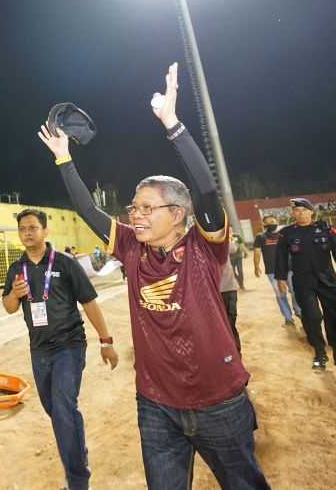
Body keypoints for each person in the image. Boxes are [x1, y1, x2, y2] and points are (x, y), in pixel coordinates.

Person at [38, 63, 269, 489]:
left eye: (147, 208)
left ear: (177, 214)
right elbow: (89, 211)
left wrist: (173, 124)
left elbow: (206, 191)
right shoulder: (129, 246)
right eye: (134, 207)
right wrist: (64, 158)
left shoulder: (205, 246)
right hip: (156, 406)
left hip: (219, 403)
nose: (135, 215)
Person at [2, 209, 118, 490]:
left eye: (33, 227)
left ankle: (78, 480)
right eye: (23, 229)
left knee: (64, 409)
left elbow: (89, 302)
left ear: (45, 231)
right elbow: (8, 307)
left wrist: (106, 341)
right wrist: (14, 295)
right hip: (39, 350)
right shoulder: (17, 268)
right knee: (55, 410)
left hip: (69, 346)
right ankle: (77, 452)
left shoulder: (65, 263)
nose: (27, 233)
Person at [276, 198, 336, 371]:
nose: (300, 213)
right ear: (293, 213)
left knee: (335, 315)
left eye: (304, 210)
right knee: (311, 318)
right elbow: (281, 257)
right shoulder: (287, 233)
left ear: (311, 212)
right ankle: (320, 353)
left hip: (327, 281)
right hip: (303, 283)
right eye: (297, 211)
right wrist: (281, 278)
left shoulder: (325, 230)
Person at [254, 215, 301, 325]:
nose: (270, 223)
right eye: (268, 222)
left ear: (277, 222)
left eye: (272, 221)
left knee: (295, 291)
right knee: (281, 294)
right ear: (264, 224)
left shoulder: (284, 234)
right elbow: (257, 252)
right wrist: (256, 266)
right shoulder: (260, 237)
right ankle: (288, 318)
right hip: (272, 271)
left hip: (288, 268)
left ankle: (299, 311)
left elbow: (294, 249)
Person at [221, 243, 242, 353]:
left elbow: (234, 248)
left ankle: (236, 352)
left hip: (229, 288)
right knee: (221, 324)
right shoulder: (200, 246)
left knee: (231, 322)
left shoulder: (222, 242)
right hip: (213, 291)